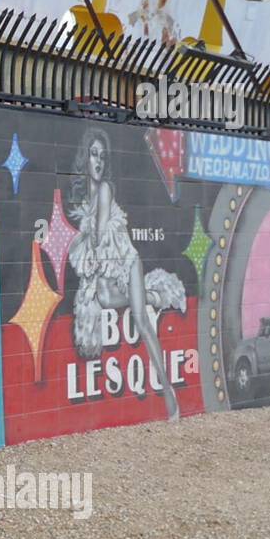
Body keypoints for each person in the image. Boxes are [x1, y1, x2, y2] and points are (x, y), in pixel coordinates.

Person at [67, 127, 186, 420]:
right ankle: (155, 293)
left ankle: (170, 395)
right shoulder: (85, 201)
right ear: (85, 159)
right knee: (106, 299)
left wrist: (89, 251)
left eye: (103, 156)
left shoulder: (106, 190)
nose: (98, 162)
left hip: (126, 262)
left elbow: (97, 236)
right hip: (108, 275)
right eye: (94, 155)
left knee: (142, 322)